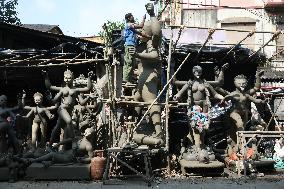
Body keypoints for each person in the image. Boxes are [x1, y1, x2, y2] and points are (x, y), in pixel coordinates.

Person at [42, 69, 93, 150]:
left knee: (57, 127)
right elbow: (50, 88)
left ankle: (49, 145)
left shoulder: (75, 90)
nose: (67, 80)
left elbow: (87, 90)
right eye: (65, 78)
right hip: (62, 109)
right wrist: (46, 77)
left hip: (68, 112)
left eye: (69, 78)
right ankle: (73, 141)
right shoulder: (62, 89)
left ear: (72, 78)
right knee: (69, 121)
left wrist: (89, 78)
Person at [123, 13, 147, 84]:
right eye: (132, 16)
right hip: (129, 45)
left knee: (133, 63)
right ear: (129, 18)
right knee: (129, 62)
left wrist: (147, 36)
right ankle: (126, 80)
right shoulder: (129, 25)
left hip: (132, 45)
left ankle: (129, 79)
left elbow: (139, 33)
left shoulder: (131, 27)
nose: (133, 17)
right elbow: (141, 26)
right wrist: (143, 18)